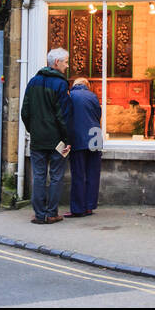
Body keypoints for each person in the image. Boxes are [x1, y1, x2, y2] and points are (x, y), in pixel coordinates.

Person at [21, 48, 72, 224]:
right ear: (56, 63)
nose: (67, 65)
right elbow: (63, 115)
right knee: (57, 176)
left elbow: (24, 112)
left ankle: (39, 214)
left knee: (39, 177)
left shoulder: (33, 82)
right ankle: (51, 213)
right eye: (65, 61)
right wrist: (67, 139)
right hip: (57, 140)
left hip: (37, 139)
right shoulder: (61, 84)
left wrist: (32, 130)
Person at [66, 76, 103, 217]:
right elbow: (98, 115)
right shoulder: (93, 96)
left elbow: (66, 116)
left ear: (75, 85)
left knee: (78, 174)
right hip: (95, 137)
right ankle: (89, 206)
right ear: (86, 85)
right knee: (93, 174)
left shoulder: (71, 96)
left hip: (78, 138)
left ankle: (77, 209)